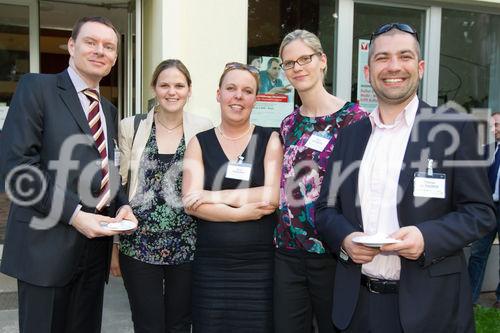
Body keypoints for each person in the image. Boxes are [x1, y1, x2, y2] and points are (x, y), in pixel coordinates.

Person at [315, 22, 496, 333]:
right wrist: (345, 240)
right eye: (382, 57)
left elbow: (480, 213)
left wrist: (426, 238)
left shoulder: (454, 129)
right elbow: (325, 209)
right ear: (369, 71)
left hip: (430, 308)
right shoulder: (350, 136)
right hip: (356, 306)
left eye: (405, 56)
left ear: (421, 67)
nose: (394, 66)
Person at [0, 16, 137, 333]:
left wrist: (121, 205)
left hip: (93, 253)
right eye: (91, 42)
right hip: (45, 250)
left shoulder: (109, 109)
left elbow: (107, 169)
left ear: (115, 58)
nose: (100, 51)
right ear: (72, 46)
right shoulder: (37, 88)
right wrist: (75, 214)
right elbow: (17, 169)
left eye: (108, 46)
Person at [273, 29, 367, 333]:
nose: (298, 67)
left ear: (322, 60)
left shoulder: (354, 120)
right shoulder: (289, 124)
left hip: (332, 252)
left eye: (305, 58)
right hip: (288, 250)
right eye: (289, 63)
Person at [111, 59, 213, 332]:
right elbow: (119, 187)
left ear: (189, 89)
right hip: (139, 245)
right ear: (154, 88)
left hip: (188, 245)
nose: (172, 91)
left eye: (179, 85)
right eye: (164, 84)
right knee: (148, 324)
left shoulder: (204, 128)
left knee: (180, 323)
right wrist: (115, 246)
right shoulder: (131, 127)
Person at [182, 62, 283, 332]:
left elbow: (271, 196)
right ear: (218, 94)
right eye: (231, 88)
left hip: (258, 266)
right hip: (211, 266)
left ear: (255, 98)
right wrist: (240, 212)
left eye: (247, 91)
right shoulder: (199, 142)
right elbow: (191, 204)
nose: (238, 96)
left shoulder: (270, 139)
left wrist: (211, 196)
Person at [468, 112, 500, 309]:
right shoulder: (487, 150)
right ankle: (470, 297)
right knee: (478, 252)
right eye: (492, 126)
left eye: (496, 125)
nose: (494, 129)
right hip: (489, 209)